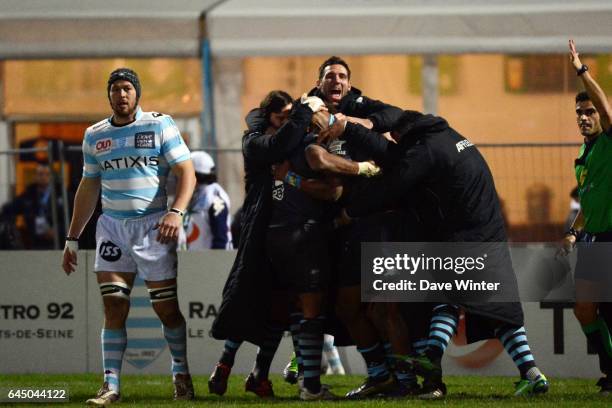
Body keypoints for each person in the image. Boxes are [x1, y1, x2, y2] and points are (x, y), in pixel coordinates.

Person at [322, 107, 549, 398]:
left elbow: (393, 183)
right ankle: (532, 373)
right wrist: (353, 129)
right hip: (488, 230)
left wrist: (350, 211)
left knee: (446, 301)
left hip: (462, 235)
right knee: (497, 308)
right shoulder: (448, 136)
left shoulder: (424, 150)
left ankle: (429, 365)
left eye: (397, 139)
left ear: (403, 135)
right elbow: (397, 156)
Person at [61, 68, 196, 405]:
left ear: (137, 93)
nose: (121, 95)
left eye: (127, 89)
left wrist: (176, 212)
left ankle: (180, 371)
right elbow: (89, 186)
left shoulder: (159, 124)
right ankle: (111, 385)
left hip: (153, 227)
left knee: (166, 310)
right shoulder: (94, 135)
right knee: (114, 305)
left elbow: (186, 172)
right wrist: (72, 237)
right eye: (116, 89)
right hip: (112, 229)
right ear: (108, 95)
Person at [209, 90, 326, 399]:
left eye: (290, 116)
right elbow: (279, 145)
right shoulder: (257, 141)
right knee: (251, 301)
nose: (287, 122)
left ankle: (257, 374)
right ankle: (227, 364)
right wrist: (301, 113)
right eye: (281, 117)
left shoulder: (285, 138)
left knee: (278, 309)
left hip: (282, 234)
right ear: (268, 117)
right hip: (260, 234)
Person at [558, 40, 612, 395]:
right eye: (580, 113)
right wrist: (573, 231)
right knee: (584, 310)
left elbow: (608, 110)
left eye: (589, 112)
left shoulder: (609, 140)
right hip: (593, 241)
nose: (584, 117)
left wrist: (582, 69)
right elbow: (588, 203)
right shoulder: (583, 151)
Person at [1, 163, 66, 249]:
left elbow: (69, 217)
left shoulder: (61, 194)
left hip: (58, 242)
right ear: (35, 176)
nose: (43, 177)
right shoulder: (28, 194)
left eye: (47, 174)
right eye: (40, 174)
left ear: (51, 177)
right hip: (34, 241)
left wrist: (57, 231)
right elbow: (8, 209)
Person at [182, 150, 232, 250]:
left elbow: (221, 238)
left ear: (196, 176)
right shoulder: (197, 195)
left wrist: (213, 264)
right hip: (196, 260)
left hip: (210, 262)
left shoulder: (215, 199)